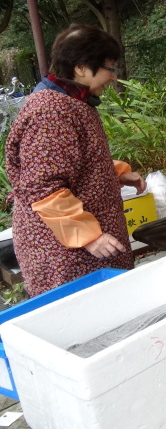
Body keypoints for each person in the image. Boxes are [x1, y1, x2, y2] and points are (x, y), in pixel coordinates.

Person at [4, 24, 146, 297]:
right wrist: (88, 236)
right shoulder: (51, 110)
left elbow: (70, 161)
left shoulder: (73, 101)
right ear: (81, 67)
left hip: (85, 246)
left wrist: (116, 173)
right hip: (66, 254)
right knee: (84, 321)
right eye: (109, 68)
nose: (113, 78)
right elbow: (44, 187)